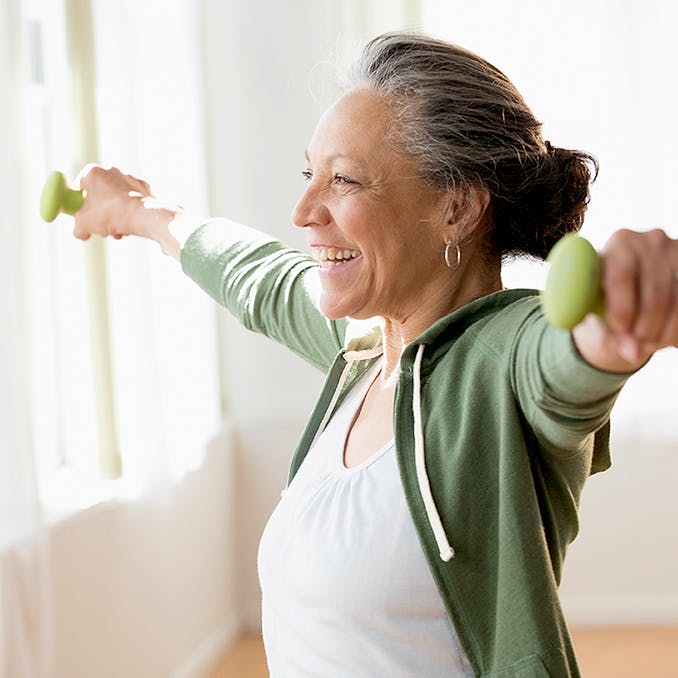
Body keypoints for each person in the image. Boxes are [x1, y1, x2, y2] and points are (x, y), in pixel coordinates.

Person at [72, 32, 677, 677]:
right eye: (311, 175)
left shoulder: (501, 359)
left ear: (457, 207)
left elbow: (559, 365)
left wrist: (614, 326)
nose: (304, 210)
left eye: (345, 181)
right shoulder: (368, 351)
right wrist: (142, 212)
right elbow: (259, 279)